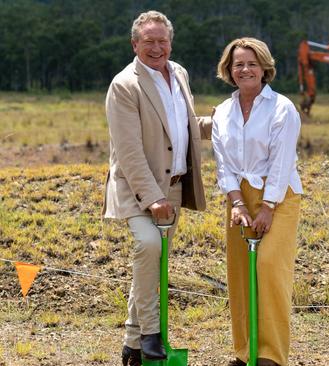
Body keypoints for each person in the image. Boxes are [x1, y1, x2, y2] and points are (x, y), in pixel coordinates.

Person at [102, 10, 211, 366]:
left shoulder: (179, 73)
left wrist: (230, 118)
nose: (156, 47)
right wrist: (154, 198)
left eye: (162, 40)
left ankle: (131, 345)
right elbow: (129, 150)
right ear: (135, 44)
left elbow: (183, 124)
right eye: (148, 41)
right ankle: (151, 333)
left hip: (174, 186)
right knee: (148, 247)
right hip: (139, 188)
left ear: (171, 42)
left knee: (153, 262)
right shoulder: (124, 85)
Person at [211, 37, 303, 366]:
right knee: (240, 273)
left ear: (264, 68)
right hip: (239, 197)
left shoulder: (282, 108)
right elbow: (223, 163)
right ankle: (244, 350)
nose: (245, 69)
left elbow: (281, 162)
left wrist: (268, 206)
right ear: (229, 70)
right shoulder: (222, 111)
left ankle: (270, 355)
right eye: (238, 64)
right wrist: (236, 202)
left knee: (267, 268)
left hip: (278, 195)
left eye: (252, 63)